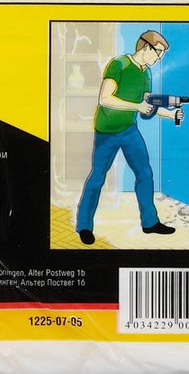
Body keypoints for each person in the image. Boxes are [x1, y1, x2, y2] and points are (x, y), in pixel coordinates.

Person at [76, 30, 178, 244]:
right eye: (158, 53)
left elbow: (147, 105)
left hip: (129, 130)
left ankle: (150, 223)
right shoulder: (119, 65)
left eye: (162, 55)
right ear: (146, 46)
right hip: (106, 131)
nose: (159, 58)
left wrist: (169, 114)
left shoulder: (145, 73)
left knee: (145, 173)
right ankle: (84, 226)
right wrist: (136, 106)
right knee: (97, 177)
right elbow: (105, 99)